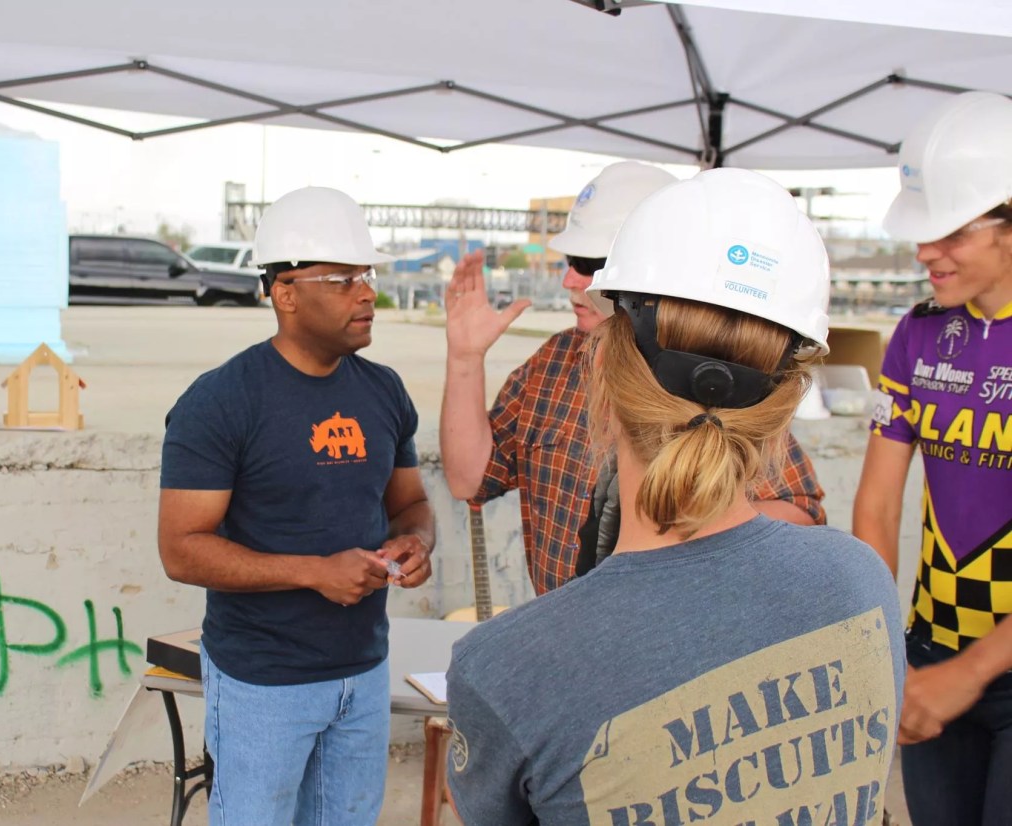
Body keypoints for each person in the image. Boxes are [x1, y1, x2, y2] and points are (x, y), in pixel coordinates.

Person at [444, 168, 905, 825]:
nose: (573, 280)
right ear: (784, 398)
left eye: (587, 265)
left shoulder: (507, 671)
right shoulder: (865, 582)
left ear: (602, 369)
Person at [157, 186, 435, 824]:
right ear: (284, 292)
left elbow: (413, 503)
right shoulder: (221, 401)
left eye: (367, 275)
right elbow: (180, 549)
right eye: (342, 278)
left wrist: (417, 542)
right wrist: (313, 571)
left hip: (364, 674)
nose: (366, 293)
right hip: (263, 682)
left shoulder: (384, 390)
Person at [440, 161, 826, 595]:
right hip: (562, 638)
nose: (570, 279)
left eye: (589, 264)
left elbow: (799, 513)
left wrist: (687, 522)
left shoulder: (713, 380)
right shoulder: (548, 365)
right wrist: (465, 359)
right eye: (571, 261)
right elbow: (468, 479)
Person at [852, 90, 1012, 826]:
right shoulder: (917, 336)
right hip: (927, 653)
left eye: (949, 231)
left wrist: (972, 673)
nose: (924, 254)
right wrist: (880, 646)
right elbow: (877, 505)